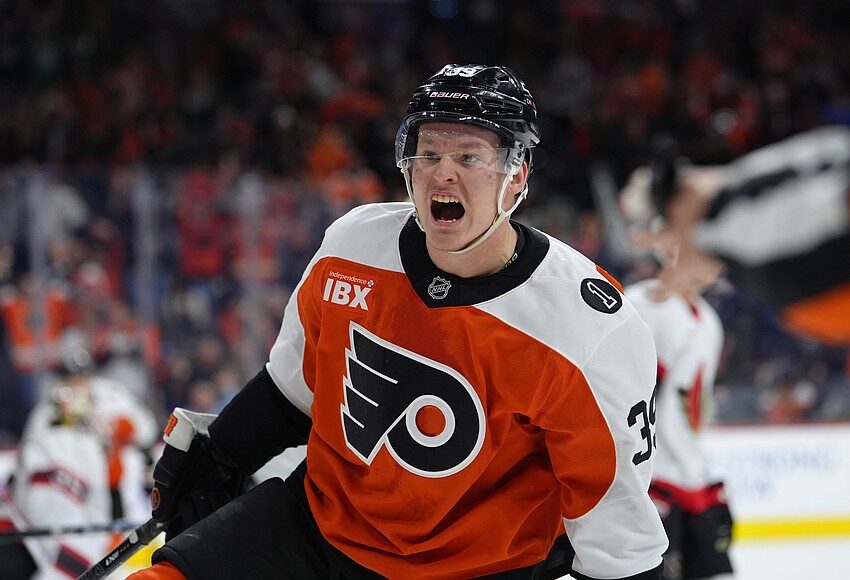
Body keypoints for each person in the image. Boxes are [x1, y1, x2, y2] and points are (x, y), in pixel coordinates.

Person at [130, 64, 667, 580]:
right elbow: (292, 393)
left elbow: (618, 535)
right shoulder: (353, 247)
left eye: (469, 155)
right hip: (318, 527)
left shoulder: (587, 329)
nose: (443, 172)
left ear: (517, 175)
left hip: (473, 570)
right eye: (428, 152)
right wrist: (220, 453)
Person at [621, 125, 850, 345]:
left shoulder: (734, 212)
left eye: (684, 175)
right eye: (679, 190)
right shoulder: (731, 227)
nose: (692, 179)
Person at [625, 257, 733, 580]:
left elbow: (696, 399)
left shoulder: (708, 319)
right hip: (648, 470)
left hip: (690, 470)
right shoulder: (639, 302)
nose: (712, 266)